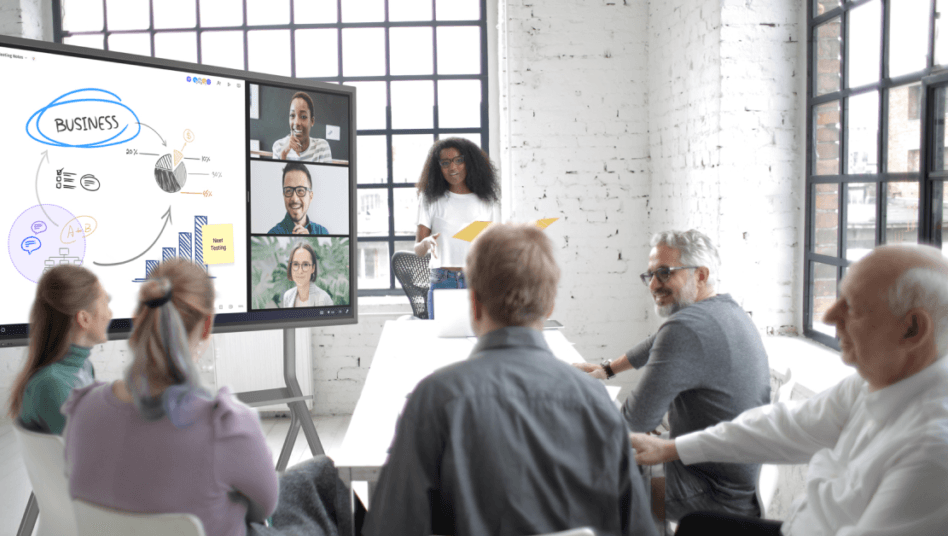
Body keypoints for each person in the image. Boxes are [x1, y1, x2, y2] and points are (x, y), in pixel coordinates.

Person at [631, 244, 948, 536]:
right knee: (697, 526)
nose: (829, 316)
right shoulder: (876, 383)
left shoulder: (931, 452)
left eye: (854, 307)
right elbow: (786, 425)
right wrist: (672, 448)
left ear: (912, 328)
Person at [364, 223, 656, 536]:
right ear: (549, 306)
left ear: (474, 304)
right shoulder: (596, 402)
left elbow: (390, 528)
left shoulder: (436, 399)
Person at [63, 259, 279, 536]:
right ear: (206, 326)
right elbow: (265, 509)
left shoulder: (83, 409)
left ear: (138, 317)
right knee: (317, 478)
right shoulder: (225, 427)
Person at [573, 229, 770, 523]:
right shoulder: (725, 310)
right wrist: (608, 369)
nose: (654, 284)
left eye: (665, 273)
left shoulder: (685, 328)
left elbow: (633, 424)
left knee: (577, 476)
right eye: (650, 275)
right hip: (735, 480)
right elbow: (654, 343)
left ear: (700, 275)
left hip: (710, 491)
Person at [7, 264, 110, 435]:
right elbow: (88, 443)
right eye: (105, 303)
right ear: (84, 319)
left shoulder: (84, 367)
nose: (109, 314)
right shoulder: (51, 384)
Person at [414, 137, 500, 319]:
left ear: (470, 162)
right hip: (442, 280)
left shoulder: (486, 200)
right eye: (445, 163)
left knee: (478, 334)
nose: (452, 168)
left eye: (459, 160)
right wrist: (426, 243)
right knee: (441, 335)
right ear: (438, 168)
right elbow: (418, 250)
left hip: (477, 280)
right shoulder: (430, 199)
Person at [268, 162, 330, 235]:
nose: (294, 199)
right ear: (284, 195)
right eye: (288, 191)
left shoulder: (322, 232)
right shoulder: (272, 235)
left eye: (300, 190)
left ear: (310, 196)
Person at [272, 91, 333, 163]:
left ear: (312, 121)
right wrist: (283, 155)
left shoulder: (322, 147)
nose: (296, 122)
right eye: (292, 115)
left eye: (303, 117)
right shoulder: (278, 146)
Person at [282, 242, 334, 308]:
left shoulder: (325, 299)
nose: (300, 271)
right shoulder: (288, 296)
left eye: (305, 264)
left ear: (313, 268)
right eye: (295, 264)